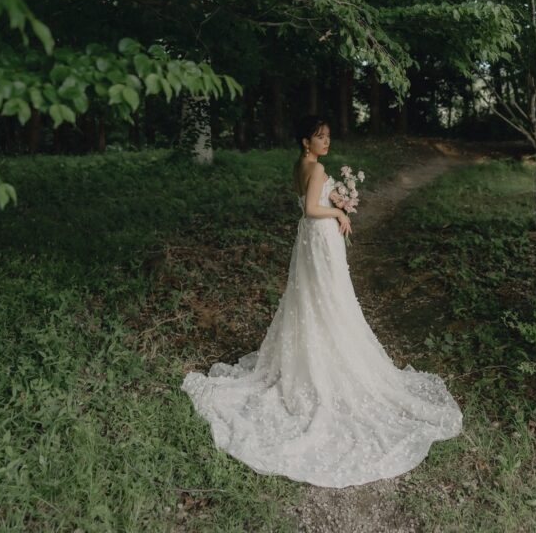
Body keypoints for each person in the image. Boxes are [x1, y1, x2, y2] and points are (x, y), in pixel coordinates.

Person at [181, 114, 462, 488]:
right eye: (320, 136)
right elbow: (312, 209)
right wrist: (338, 210)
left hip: (308, 238)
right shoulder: (316, 168)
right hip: (319, 233)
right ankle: (331, 355)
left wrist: (336, 197)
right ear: (306, 141)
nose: (326, 141)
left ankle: (319, 346)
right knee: (329, 297)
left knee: (313, 297)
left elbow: (309, 199)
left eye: (328, 136)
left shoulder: (301, 166)